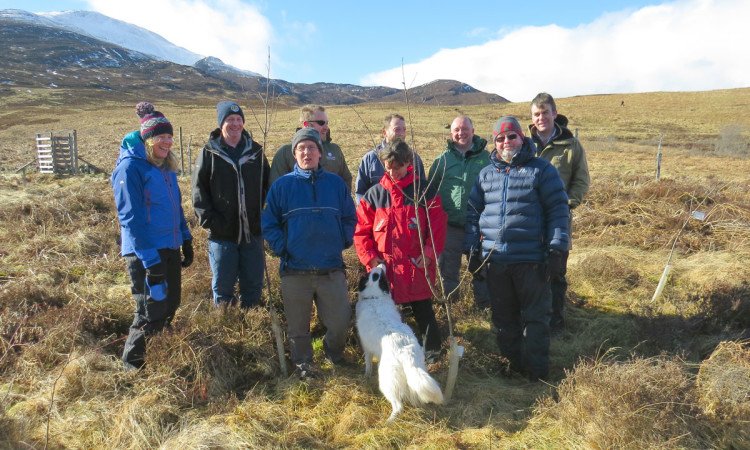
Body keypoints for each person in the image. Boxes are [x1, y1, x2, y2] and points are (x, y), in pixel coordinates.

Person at [464, 116, 569, 382]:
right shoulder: (486, 175)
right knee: (503, 319)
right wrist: (473, 250)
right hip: (496, 262)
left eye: (512, 136)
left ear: (522, 138)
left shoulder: (542, 170)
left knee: (536, 319)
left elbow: (558, 211)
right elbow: (472, 213)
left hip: (532, 261)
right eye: (500, 138)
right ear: (495, 144)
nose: (506, 142)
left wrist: (557, 250)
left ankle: (536, 375)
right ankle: (514, 368)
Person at [262, 128, 356, 380]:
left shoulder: (336, 184)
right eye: (301, 148)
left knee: (339, 322)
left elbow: (350, 216)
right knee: (298, 326)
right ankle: (304, 363)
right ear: (294, 154)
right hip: (295, 270)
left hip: (331, 268)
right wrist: (283, 248)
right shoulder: (282, 186)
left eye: (311, 148)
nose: (307, 152)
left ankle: (333, 355)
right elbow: (268, 223)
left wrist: (343, 240)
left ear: (320, 153)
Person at [112, 102, 193, 370]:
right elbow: (131, 220)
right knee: (149, 312)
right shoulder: (130, 168)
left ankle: (157, 360)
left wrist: (186, 238)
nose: (167, 142)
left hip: (169, 247)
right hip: (145, 253)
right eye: (161, 136)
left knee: (170, 305)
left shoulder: (165, 166)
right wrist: (150, 261)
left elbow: (175, 206)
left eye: (169, 136)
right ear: (147, 138)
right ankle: (133, 369)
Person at [354, 139, 447, 363]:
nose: (392, 172)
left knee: (424, 313)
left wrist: (428, 254)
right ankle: (390, 355)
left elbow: (437, 226)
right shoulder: (374, 195)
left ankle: (433, 355)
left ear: (408, 163)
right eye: (388, 166)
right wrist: (371, 260)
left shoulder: (424, 191)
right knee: (386, 316)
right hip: (386, 272)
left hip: (416, 267)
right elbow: (361, 233)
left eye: (397, 167)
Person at [192, 101, 270, 309]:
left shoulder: (256, 152)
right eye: (229, 120)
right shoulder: (209, 153)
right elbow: (199, 192)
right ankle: (226, 329)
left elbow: (268, 187)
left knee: (253, 284)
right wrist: (212, 222)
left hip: (253, 232)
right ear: (220, 124)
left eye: (238, 120)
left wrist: (264, 218)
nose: (235, 124)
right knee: (224, 286)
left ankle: (251, 324)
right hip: (222, 235)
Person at [529, 93, 591, 335]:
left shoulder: (572, 145)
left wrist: (567, 204)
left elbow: (582, 181)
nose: (541, 118)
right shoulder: (525, 144)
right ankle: (532, 319)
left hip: (558, 222)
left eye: (545, 112)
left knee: (556, 272)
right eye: (536, 114)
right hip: (529, 222)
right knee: (531, 271)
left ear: (555, 114)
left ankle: (555, 324)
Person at [428, 115, 491, 308]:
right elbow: (429, 192)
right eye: (456, 130)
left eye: (465, 129)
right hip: (450, 227)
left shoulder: (487, 159)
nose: (461, 133)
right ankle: (453, 310)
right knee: (448, 271)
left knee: (481, 268)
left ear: (473, 131)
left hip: (479, 226)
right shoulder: (442, 161)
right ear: (451, 133)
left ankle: (483, 309)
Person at [268, 104, 352, 189]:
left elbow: (346, 179)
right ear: (306, 124)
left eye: (327, 123)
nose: (326, 127)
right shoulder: (285, 152)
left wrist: (338, 199)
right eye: (321, 123)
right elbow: (276, 188)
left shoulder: (335, 150)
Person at [354, 113, 426, 203]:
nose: (402, 134)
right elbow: (360, 193)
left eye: (404, 130)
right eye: (397, 130)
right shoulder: (370, 159)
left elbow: (423, 191)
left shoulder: (414, 159)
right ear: (384, 133)